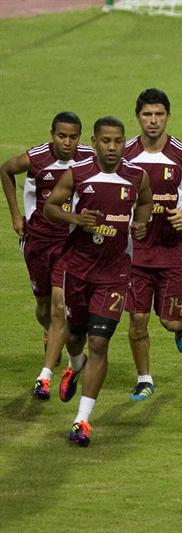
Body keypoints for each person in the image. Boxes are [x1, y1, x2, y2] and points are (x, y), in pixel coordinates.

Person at [44, 116, 153, 446]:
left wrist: (142, 223)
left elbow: (146, 202)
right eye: (106, 141)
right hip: (77, 271)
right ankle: (73, 366)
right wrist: (75, 218)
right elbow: (50, 207)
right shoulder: (78, 174)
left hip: (115, 275)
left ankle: (82, 420)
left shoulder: (136, 177)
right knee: (75, 338)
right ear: (94, 142)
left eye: (118, 141)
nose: (113, 147)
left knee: (99, 343)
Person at [123, 88, 182, 401]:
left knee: (169, 320)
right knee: (137, 319)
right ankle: (144, 378)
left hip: (174, 247)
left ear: (168, 117)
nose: (153, 121)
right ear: (138, 117)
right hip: (135, 251)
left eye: (159, 114)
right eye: (147, 114)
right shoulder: (124, 155)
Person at [0, 112, 93, 400]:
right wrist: (16, 214)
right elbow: (5, 169)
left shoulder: (89, 157)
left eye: (73, 136)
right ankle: (57, 342)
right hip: (38, 243)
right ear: (52, 134)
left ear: (80, 136)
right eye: (61, 136)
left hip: (69, 244)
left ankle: (45, 376)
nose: (67, 142)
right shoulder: (36, 158)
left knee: (58, 307)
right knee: (43, 309)